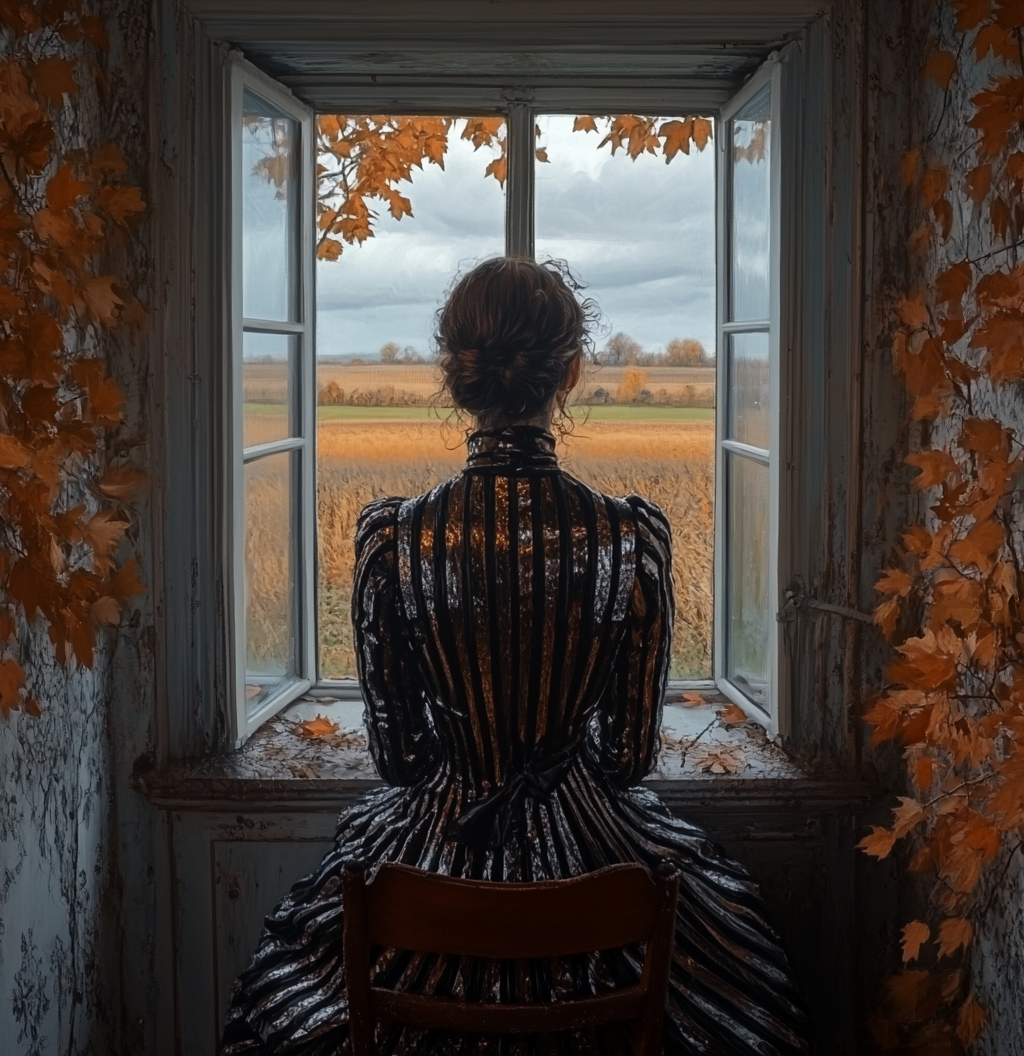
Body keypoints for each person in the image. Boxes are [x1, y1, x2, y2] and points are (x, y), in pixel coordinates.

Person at [222, 258, 809, 1056]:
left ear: (453, 377)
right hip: (596, 868)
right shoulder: (630, 540)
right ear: (569, 373)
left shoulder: (395, 541)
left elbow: (397, 762)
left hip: (431, 866)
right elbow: (629, 760)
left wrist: (473, 754)